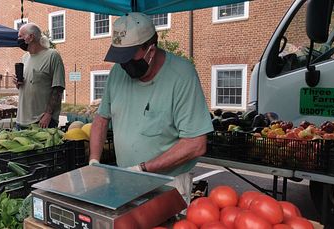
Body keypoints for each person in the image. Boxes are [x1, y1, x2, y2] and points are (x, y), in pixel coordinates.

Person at [88, 13, 213, 204]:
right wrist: (94, 161)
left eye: (130, 58)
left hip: (169, 184)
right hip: (126, 179)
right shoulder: (117, 73)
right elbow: (101, 119)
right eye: (121, 58)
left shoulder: (182, 76)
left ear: (151, 50)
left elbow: (195, 144)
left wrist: (143, 169)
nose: (125, 65)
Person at [12, 23, 65, 129]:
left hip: (42, 121)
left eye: (20, 36)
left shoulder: (52, 55)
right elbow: (28, 85)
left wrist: (48, 114)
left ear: (31, 37)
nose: (18, 39)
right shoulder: (25, 58)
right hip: (21, 120)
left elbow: (58, 88)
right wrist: (18, 83)